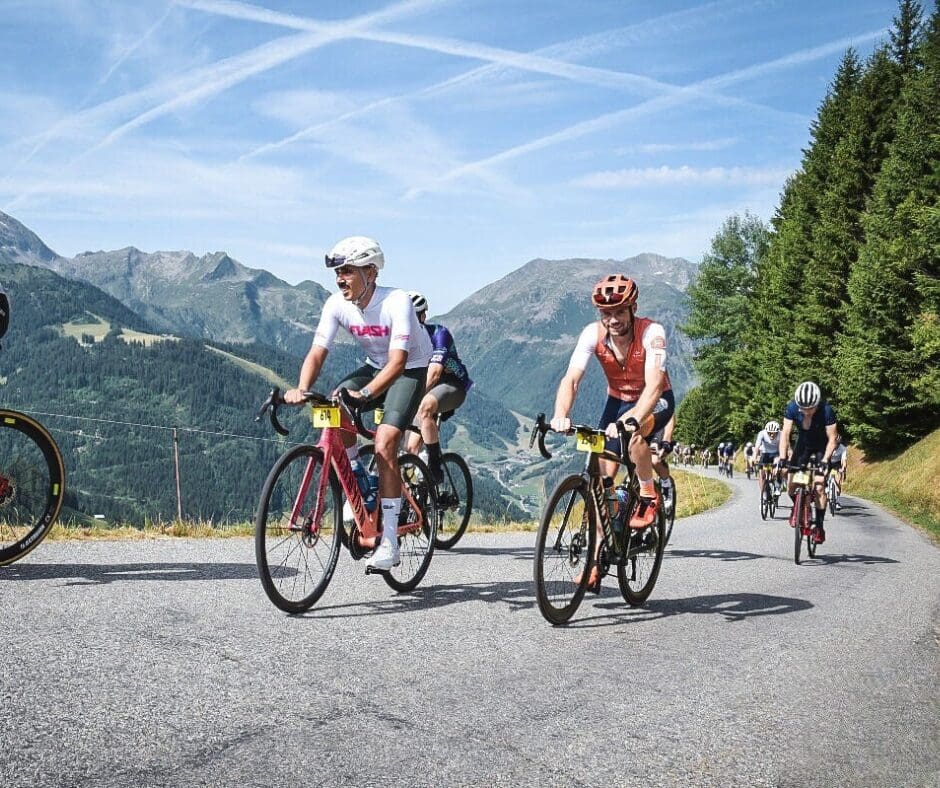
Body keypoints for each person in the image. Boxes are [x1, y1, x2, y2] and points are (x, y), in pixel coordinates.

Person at [285, 236, 432, 571]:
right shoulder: (336, 305)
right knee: (334, 406)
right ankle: (355, 475)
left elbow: (398, 362)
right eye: (338, 272)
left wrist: (364, 395)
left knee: (385, 442)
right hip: (374, 366)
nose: (340, 279)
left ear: (371, 272)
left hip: (410, 368)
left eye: (348, 271)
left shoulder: (396, 301)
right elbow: (317, 352)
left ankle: (390, 541)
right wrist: (301, 389)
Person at [550, 274, 674, 579]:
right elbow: (571, 379)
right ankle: (596, 560)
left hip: (655, 400)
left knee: (635, 438)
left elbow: (655, 385)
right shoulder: (592, 334)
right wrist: (561, 413)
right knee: (601, 483)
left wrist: (633, 419)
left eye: (620, 311)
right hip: (616, 402)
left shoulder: (652, 333)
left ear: (633, 308)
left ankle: (649, 494)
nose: (613, 319)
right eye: (606, 313)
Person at [403, 291, 473, 483]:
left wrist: (411, 397)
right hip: (425, 387)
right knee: (410, 449)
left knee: (425, 407)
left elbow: (434, 373)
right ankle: (416, 492)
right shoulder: (402, 340)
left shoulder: (439, 334)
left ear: (423, 316)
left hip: (452, 385)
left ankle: (435, 465)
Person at [777, 381, 838, 543]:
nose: (806, 411)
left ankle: (819, 527)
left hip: (821, 447)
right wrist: (783, 458)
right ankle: (799, 507)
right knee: (791, 484)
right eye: (802, 408)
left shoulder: (826, 411)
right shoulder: (792, 407)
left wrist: (825, 460)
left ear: (817, 404)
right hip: (803, 446)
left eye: (810, 408)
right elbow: (785, 434)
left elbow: (832, 439)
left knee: (819, 487)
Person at [753, 420, 782, 500]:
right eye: (770, 433)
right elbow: (757, 447)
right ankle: (763, 493)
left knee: (776, 467)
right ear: (766, 431)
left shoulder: (781, 434)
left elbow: (783, 448)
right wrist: (754, 458)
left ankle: (777, 485)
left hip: (776, 453)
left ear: (777, 432)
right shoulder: (762, 433)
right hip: (765, 453)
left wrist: (781, 459)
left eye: (774, 433)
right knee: (762, 474)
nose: (772, 435)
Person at [828, 435, 848, 510]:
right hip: (828, 462)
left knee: (838, 481)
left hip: (837, 464)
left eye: (837, 444)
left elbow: (844, 460)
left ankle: (836, 502)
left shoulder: (843, 448)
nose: (835, 446)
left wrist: (843, 468)